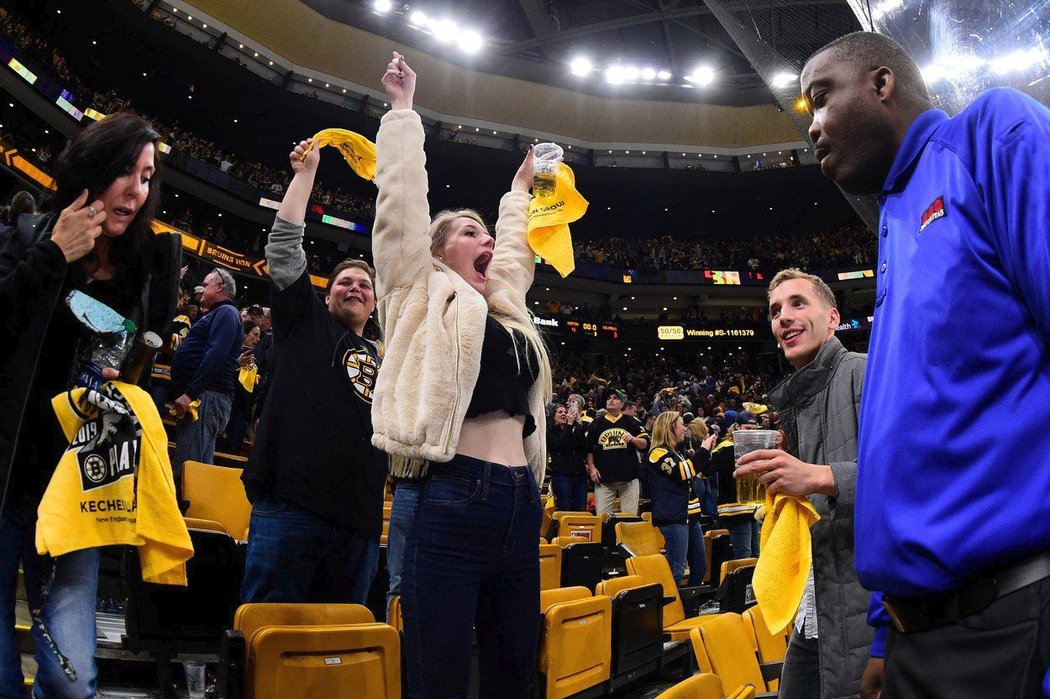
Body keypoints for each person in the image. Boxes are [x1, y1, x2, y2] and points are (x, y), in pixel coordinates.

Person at [801, 31, 1050, 698]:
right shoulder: (895, 217)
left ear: (882, 84)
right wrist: (885, 628)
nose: (814, 128)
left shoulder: (990, 133)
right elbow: (899, 445)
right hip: (919, 633)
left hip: (1009, 614)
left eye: (821, 99)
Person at [372, 51, 553, 698]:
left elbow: (515, 252)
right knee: (439, 677)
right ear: (438, 247)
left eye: (488, 233)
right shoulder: (414, 288)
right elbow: (400, 203)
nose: (488, 242)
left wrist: (519, 191)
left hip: (519, 501)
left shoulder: (500, 306)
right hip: (448, 494)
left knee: (514, 677)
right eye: (470, 231)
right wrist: (402, 112)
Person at [0, 113, 179, 698]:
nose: (137, 190)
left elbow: (140, 366)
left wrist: (122, 383)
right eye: (125, 172)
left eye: (147, 177)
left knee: (70, 680)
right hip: (7, 479)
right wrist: (53, 253)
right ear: (89, 171)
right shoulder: (28, 237)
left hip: (81, 490)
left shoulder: (147, 267)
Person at [240, 138, 385, 605]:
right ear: (326, 295)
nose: (355, 288)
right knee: (269, 634)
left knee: (337, 650)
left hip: (360, 520)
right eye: (345, 281)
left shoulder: (387, 358)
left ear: (375, 303)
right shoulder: (305, 321)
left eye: (365, 284)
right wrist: (306, 176)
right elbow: (283, 248)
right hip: (291, 505)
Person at [734, 268, 871, 699]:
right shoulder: (798, 401)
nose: (784, 317)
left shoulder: (864, 372)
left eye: (798, 303)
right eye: (775, 311)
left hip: (865, 609)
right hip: (816, 609)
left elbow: (917, 475)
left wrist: (817, 476)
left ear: (832, 318)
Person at [169, 267, 242, 482]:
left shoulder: (226, 313)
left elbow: (215, 355)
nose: (201, 291)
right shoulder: (220, 314)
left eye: (206, 285)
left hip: (205, 398)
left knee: (186, 470)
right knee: (199, 469)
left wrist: (190, 393)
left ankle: (180, 513)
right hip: (207, 396)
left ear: (220, 287)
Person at [647, 411, 714, 585]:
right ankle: (669, 610)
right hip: (674, 518)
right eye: (682, 424)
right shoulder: (656, 453)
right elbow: (682, 472)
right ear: (670, 427)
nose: (685, 428)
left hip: (691, 518)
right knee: (676, 571)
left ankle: (687, 608)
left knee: (700, 567)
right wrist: (703, 451)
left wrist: (705, 454)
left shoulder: (678, 453)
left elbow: (701, 473)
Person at [586, 387, 649, 516]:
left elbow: (645, 444)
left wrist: (633, 439)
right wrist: (592, 467)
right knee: (602, 519)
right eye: (609, 398)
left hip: (629, 479)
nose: (611, 400)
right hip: (604, 480)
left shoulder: (632, 422)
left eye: (615, 398)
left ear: (622, 403)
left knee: (629, 519)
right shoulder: (596, 423)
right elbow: (588, 448)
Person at [218, 320, 260, 455]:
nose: (258, 339)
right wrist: (236, 364)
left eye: (259, 336)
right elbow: (219, 372)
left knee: (233, 450)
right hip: (224, 403)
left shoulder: (255, 360)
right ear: (244, 334)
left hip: (241, 412)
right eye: (255, 334)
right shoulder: (229, 351)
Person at [547, 403, 588, 512]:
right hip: (562, 475)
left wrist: (579, 426)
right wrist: (569, 425)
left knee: (581, 509)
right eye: (560, 412)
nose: (564, 414)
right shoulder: (550, 432)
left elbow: (583, 446)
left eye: (565, 412)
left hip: (579, 475)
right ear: (553, 416)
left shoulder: (574, 429)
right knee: (565, 509)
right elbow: (561, 446)